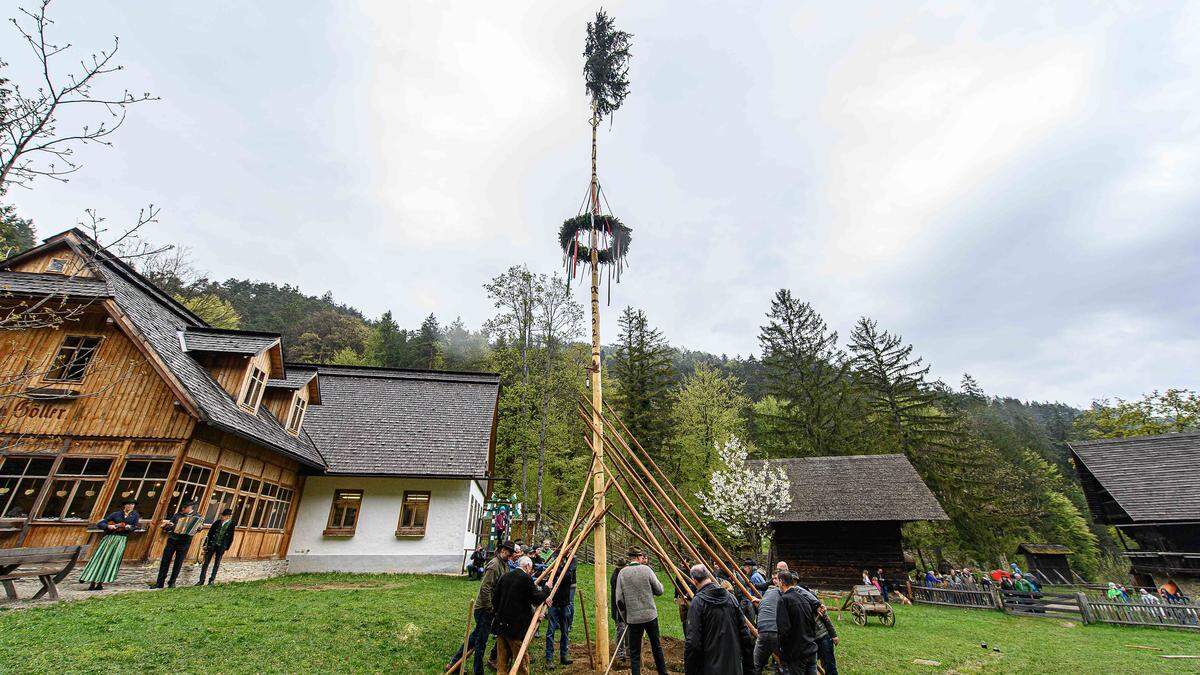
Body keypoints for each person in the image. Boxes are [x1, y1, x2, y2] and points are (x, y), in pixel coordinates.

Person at [449, 540, 514, 675]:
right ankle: (478, 671)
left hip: (491, 609)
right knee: (481, 643)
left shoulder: (505, 565)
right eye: (509, 552)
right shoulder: (494, 565)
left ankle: (453, 664)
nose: (511, 555)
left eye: (512, 553)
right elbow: (485, 588)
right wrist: (490, 607)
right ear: (503, 551)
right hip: (484, 609)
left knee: (474, 638)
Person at [684, 564, 754, 675]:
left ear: (694, 580)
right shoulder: (731, 598)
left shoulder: (698, 603)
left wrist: (690, 671)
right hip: (733, 666)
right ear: (708, 576)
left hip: (710, 667)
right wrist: (749, 668)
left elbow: (693, 642)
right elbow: (745, 634)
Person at [491, 555, 551, 675]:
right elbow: (537, 598)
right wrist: (547, 589)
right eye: (531, 568)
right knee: (521, 663)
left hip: (501, 626)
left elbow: (495, 600)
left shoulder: (505, 576)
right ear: (528, 566)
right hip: (515, 629)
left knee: (502, 663)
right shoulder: (525, 578)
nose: (531, 570)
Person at [616, 549, 667, 675]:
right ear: (638, 557)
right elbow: (659, 590)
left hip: (633, 618)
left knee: (634, 653)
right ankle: (663, 673)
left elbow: (619, 600)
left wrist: (626, 617)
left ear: (630, 558)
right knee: (657, 647)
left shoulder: (622, 573)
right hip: (650, 616)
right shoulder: (646, 570)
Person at [79, 499, 139, 591]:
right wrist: (108, 526)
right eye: (129, 504)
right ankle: (92, 582)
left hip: (121, 539)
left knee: (111, 560)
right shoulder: (116, 514)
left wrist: (129, 527)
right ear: (125, 505)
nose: (131, 506)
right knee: (100, 558)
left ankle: (100, 583)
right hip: (110, 538)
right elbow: (100, 523)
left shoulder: (134, 515)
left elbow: (135, 526)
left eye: (132, 504)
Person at [153, 498, 204, 589]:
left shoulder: (197, 517)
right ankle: (159, 583)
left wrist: (200, 527)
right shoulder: (177, 515)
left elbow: (199, 529)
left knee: (178, 562)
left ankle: (172, 582)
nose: (182, 510)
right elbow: (168, 528)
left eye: (184, 508)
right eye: (182, 508)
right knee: (165, 561)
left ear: (190, 508)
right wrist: (168, 526)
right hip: (173, 540)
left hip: (185, 541)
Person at [777, 571, 820, 675]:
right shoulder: (803, 598)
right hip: (811, 649)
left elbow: (783, 629)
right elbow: (812, 624)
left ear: (781, 582)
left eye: (778, 581)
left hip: (797, 653)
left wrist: (783, 652)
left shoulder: (784, 600)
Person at [793, 581, 838, 675]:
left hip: (822, 635)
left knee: (829, 665)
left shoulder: (811, 601)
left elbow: (825, 617)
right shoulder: (793, 601)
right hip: (809, 639)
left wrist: (833, 634)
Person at [752, 570, 786, 675]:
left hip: (762, 630)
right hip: (775, 630)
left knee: (756, 664)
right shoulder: (783, 594)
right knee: (785, 662)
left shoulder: (767, 594)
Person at [545, 557, 576, 668]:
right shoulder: (552, 574)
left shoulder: (567, 572)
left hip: (564, 605)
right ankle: (549, 659)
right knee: (550, 632)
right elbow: (547, 584)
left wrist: (557, 570)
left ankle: (563, 656)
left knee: (565, 631)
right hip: (553, 605)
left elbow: (567, 576)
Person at [197, 507, 235, 585]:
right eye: (222, 515)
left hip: (221, 546)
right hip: (212, 544)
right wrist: (205, 544)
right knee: (206, 562)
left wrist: (226, 547)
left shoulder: (231, 524)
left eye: (224, 516)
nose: (222, 517)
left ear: (228, 516)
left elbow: (231, 537)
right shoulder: (216, 523)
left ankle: (212, 580)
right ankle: (201, 580)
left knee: (217, 563)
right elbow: (209, 534)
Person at [610, 558, 629, 660]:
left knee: (628, 629)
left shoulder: (623, 574)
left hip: (626, 607)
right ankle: (620, 651)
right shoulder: (615, 577)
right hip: (618, 608)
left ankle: (628, 649)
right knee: (621, 629)